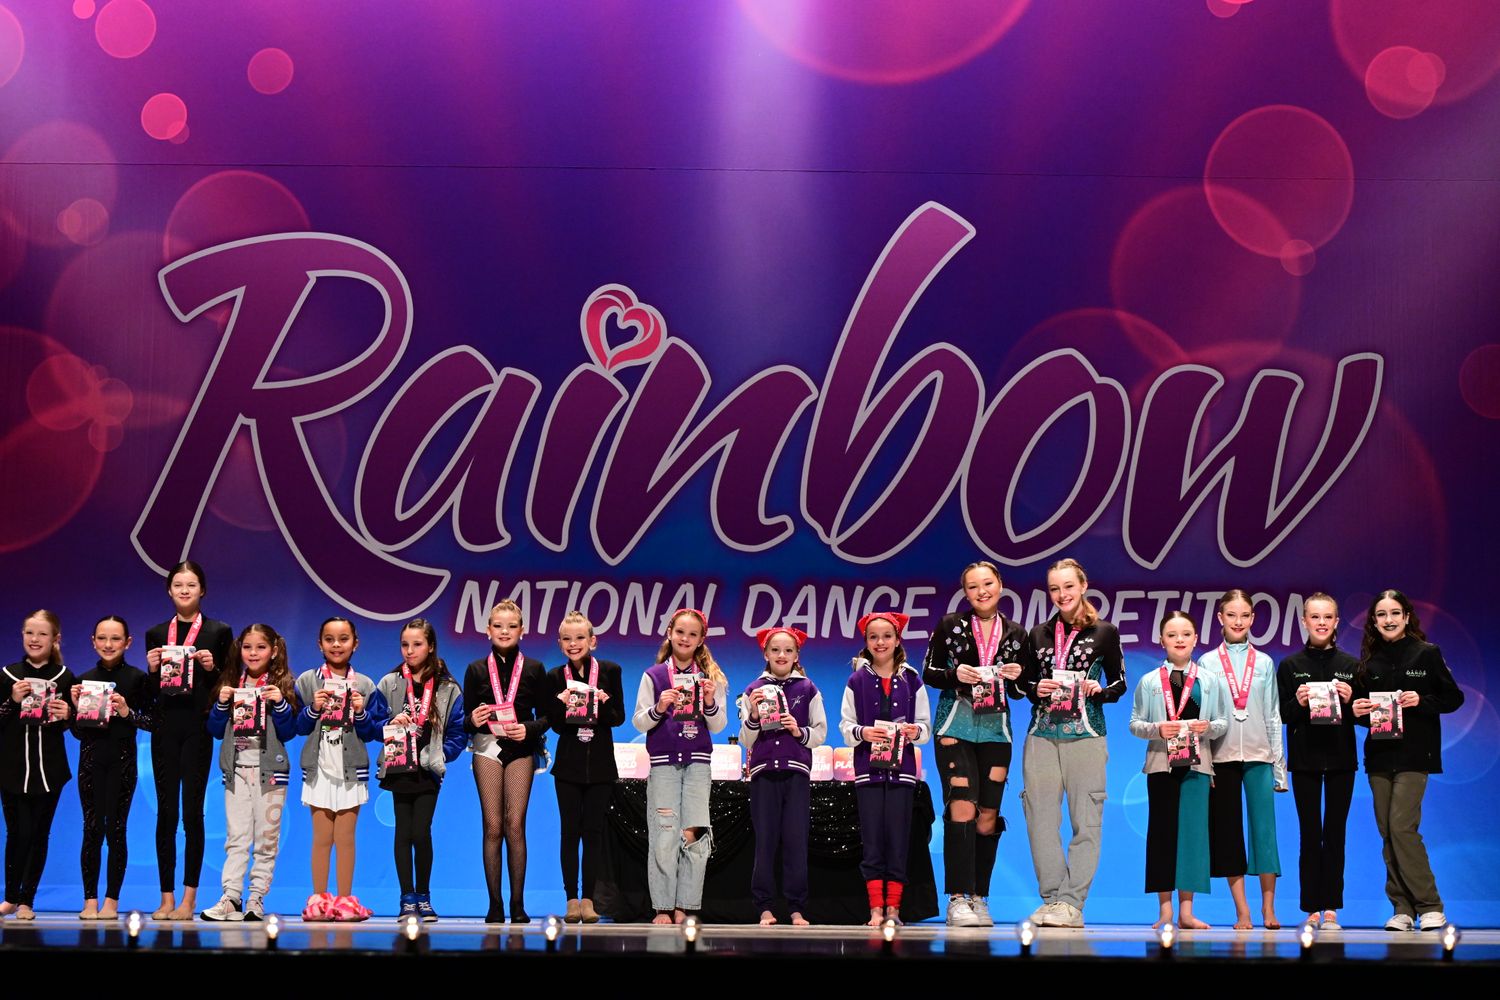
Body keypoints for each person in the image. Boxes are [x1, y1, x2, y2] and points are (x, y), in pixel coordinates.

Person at [922, 560, 1034, 927]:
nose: (981, 591)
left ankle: (979, 897)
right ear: (965, 592)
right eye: (973, 586)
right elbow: (930, 672)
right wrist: (956, 674)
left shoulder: (1018, 634)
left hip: (996, 732)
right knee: (962, 808)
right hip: (955, 725)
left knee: (987, 817)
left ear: (1000, 585)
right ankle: (957, 897)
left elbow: (1024, 691)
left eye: (987, 583)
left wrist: (1018, 677)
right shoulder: (950, 626)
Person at [1351, 590, 1465, 932]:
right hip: (1380, 756)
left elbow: (1453, 697)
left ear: (1406, 617)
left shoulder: (1427, 653)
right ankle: (1401, 907)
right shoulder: (1369, 663)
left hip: (1416, 754)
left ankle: (1430, 905)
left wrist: (1422, 700)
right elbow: (1362, 710)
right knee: (1387, 831)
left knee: (1402, 827)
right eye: (1382, 614)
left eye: (1395, 613)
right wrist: (1356, 711)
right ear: (1374, 621)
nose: (1388, 620)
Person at [1021, 558, 1126, 928]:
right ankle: (1052, 899)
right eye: (1054, 588)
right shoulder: (1037, 635)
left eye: (1068, 586)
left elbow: (1120, 683)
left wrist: (1100, 689)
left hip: (1087, 733)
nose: (1062, 594)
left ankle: (1072, 903)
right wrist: (1037, 688)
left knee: (1086, 821)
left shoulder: (1105, 632)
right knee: (1040, 819)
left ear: (1083, 586)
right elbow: (1023, 687)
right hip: (1041, 735)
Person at [143, 560, 234, 920]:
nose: (184, 590)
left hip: (197, 729)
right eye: (178, 584)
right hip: (165, 728)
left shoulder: (218, 631)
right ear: (169, 590)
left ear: (202, 591)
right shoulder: (155, 634)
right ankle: (166, 898)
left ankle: (189, 899)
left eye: (191, 585)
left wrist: (213, 670)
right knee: (165, 814)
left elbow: (227, 687)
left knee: (192, 813)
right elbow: (152, 695)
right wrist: (151, 671)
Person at [631, 608, 730, 924]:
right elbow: (638, 720)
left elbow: (718, 726)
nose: (685, 638)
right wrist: (660, 706)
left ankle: (684, 906)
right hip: (664, 765)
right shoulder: (655, 675)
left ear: (701, 640)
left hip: (698, 765)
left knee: (695, 835)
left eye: (692, 634)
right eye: (680, 632)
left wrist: (711, 702)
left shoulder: (711, 679)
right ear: (670, 633)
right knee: (665, 834)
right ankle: (662, 906)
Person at [1130, 610, 1227, 930]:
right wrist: (1158, 729)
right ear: (1162, 641)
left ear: (1196, 639)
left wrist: (1208, 726)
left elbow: (1223, 722)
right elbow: (1134, 724)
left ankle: (1187, 912)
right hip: (1160, 765)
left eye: (1186, 634)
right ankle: (1166, 911)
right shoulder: (1149, 681)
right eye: (1172, 635)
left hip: (1198, 766)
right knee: (1162, 835)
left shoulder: (1210, 680)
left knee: (1193, 837)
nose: (1179, 640)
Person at [367, 618, 466, 921]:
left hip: (427, 771)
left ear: (431, 646)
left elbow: (459, 732)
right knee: (402, 832)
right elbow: (371, 724)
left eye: (417, 644)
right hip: (398, 767)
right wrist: (388, 724)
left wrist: (439, 755)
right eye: (405, 645)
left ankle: (424, 896)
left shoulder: (448, 688)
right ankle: (406, 898)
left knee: (421, 832)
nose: (410, 651)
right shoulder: (390, 682)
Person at [201, 624, 299, 921]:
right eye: (247, 647)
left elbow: (290, 731)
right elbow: (215, 730)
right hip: (237, 770)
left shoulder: (282, 684)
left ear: (274, 650)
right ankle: (231, 897)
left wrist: (279, 703)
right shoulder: (231, 681)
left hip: (271, 772)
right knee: (237, 837)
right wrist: (221, 703)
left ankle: (256, 898)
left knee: (266, 838)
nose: (253, 653)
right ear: (239, 649)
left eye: (260, 647)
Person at [840, 612, 931, 928]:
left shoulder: (912, 679)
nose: (880, 642)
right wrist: (863, 733)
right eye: (874, 637)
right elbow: (845, 725)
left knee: (897, 839)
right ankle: (875, 909)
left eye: (887, 636)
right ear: (866, 643)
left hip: (902, 772)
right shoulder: (856, 680)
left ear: (897, 640)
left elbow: (925, 726)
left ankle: (894, 907)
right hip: (868, 772)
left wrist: (913, 732)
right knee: (873, 841)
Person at [1201, 589, 1284, 930]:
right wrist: (1204, 764)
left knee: (1265, 832)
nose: (1238, 621)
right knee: (1228, 833)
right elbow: (1203, 716)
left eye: (1244, 615)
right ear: (1220, 618)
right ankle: (1243, 912)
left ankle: (1268, 910)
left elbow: (1273, 715)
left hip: (1259, 756)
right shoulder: (1206, 662)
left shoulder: (1264, 662)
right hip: (1220, 759)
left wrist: (1279, 767)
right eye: (1231, 615)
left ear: (1252, 619)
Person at [463, 600, 549, 924]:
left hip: (520, 748)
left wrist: (528, 728)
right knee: (492, 826)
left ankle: (517, 904)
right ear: (488, 629)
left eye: (511, 626)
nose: (504, 631)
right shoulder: (475, 669)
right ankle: (494, 904)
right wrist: (473, 718)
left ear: (521, 631)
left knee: (515, 825)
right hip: (486, 746)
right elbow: (466, 722)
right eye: (498, 625)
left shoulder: (534, 669)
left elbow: (547, 717)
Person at [1277, 593, 1357, 931]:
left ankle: (1332, 908)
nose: (1321, 622)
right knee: (1310, 834)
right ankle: (1311, 906)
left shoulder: (1353, 666)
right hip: (1305, 760)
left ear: (1337, 621)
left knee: (1335, 833)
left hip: (1341, 759)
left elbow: (1366, 717)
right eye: (1315, 617)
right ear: (1304, 621)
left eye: (1327, 617)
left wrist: (1354, 701)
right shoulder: (1291, 666)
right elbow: (1283, 715)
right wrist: (1297, 700)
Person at [294, 616, 380, 922]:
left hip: (350, 767)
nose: (336, 645)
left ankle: (345, 901)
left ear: (355, 644)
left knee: (345, 837)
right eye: (329, 639)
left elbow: (375, 732)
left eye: (343, 639)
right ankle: (318, 901)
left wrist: (360, 712)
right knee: (321, 837)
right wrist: (312, 708)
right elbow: (297, 727)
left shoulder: (366, 685)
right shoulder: (306, 681)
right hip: (318, 767)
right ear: (320, 644)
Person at [740, 625, 827, 926]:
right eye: (775, 650)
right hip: (764, 775)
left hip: (796, 774)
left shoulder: (808, 689)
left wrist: (797, 730)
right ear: (765, 653)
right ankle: (764, 906)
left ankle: (796, 907)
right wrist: (752, 716)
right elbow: (746, 740)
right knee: (765, 841)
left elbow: (820, 733)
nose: (781, 655)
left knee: (795, 840)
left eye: (788, 650)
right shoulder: (753, 689)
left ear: (796, 655)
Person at [543, 611, 625, 924]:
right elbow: (555, 725)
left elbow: (617, 717)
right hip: (568, 767)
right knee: (569, 832)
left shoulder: (610, 670)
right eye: (567, 638)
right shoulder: (555, 676)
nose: (573, 643)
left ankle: (589, 899)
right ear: (560, 642)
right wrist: (560, 704)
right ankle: (571, 899)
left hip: (602, 765)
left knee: (593, 834)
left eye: (580, 638)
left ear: (592, 641)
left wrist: (603, 702)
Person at [71, 616, 153, 920]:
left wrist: (126, 711)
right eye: (102, 638)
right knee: (91, 829)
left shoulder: (137, 679)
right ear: (93, 641)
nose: (108, 644)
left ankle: (111, 901)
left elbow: (153, 722)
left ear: (128, 642)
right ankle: (89, 900)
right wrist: (74, 706)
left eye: (115, 638)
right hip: (90, 764)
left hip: (123, 762)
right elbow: (78, 732)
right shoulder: (82, 679)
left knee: (116, 830)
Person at [0, 611, 76, 920]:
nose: (35, 639)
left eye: (42, 634)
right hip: (11, 769)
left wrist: (66, 715)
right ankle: (10, 897)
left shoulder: (66, 677)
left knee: (38, 834)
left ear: (55, 639)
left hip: (50, 771)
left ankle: (27, 900)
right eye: (29, 632)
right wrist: (11, 702)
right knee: (17, 832)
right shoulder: (7, 675)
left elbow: (76, 725)